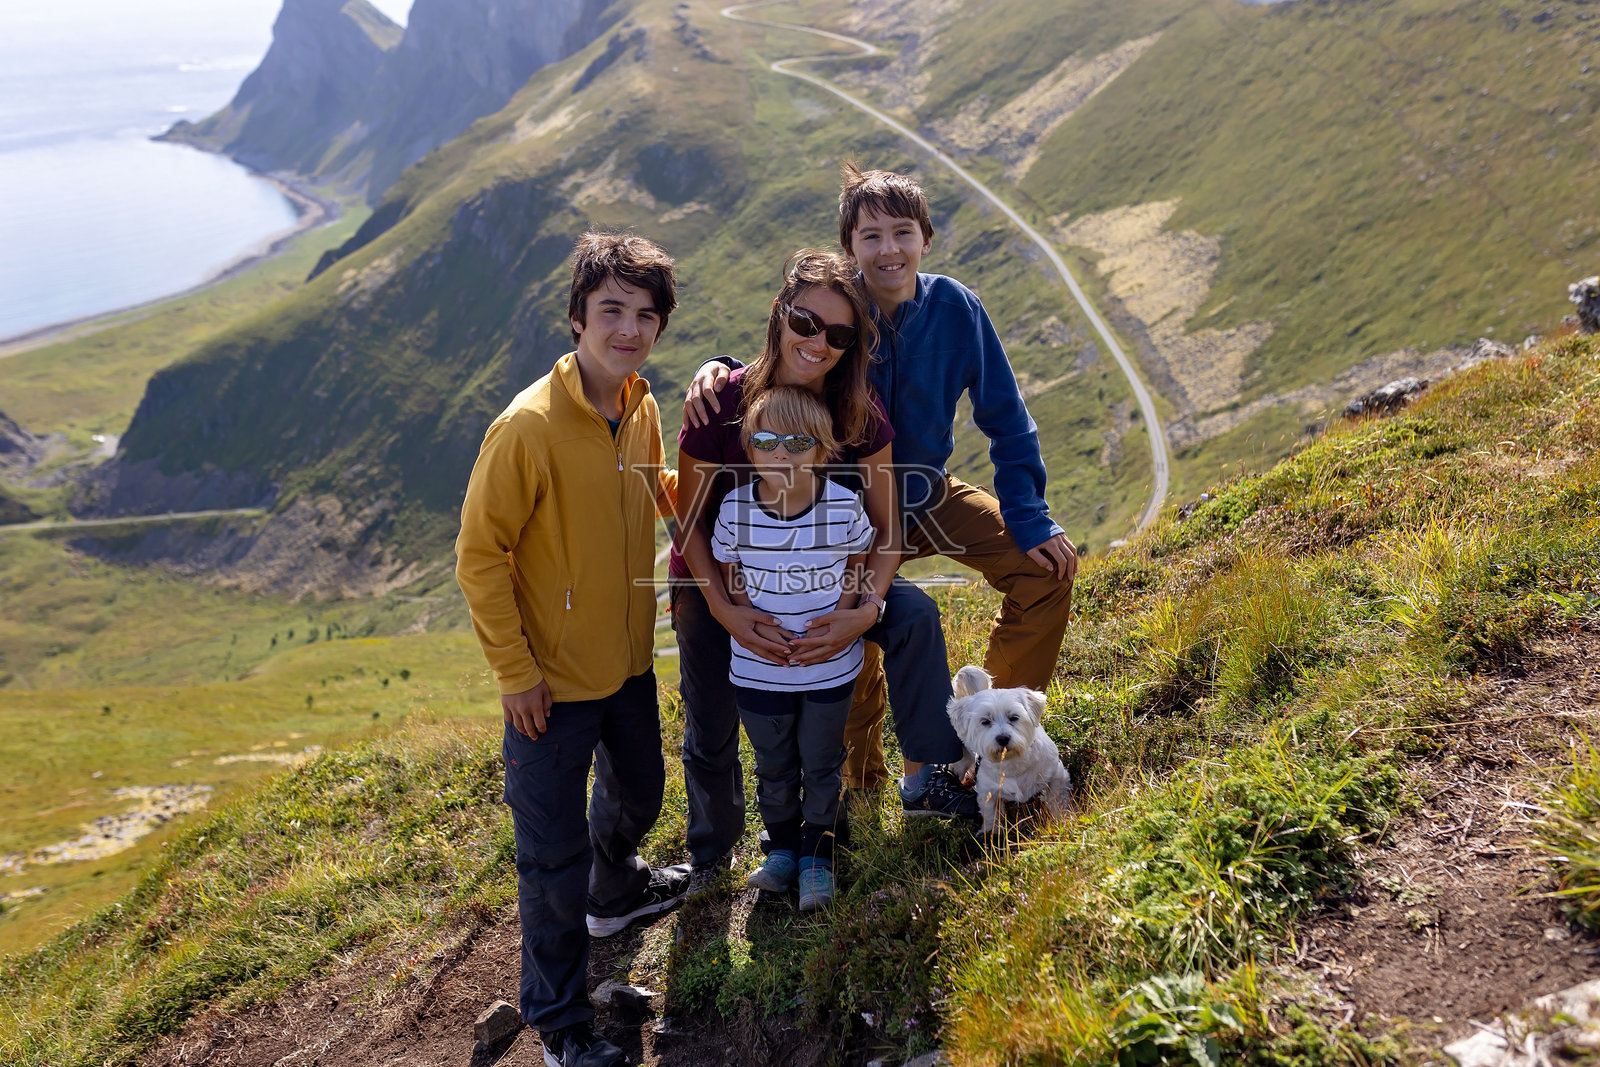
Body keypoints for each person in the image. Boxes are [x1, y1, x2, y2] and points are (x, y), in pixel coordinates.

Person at [685, 163, 1077, 796]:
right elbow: (785, 361)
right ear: (849, 248)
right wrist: (719, 366)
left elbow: (1006, 419)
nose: (888, 249)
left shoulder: (957, 309)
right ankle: (860, 781)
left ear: (926, 239)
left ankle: (992, 734)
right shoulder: (841, 314)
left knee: (1045, 571)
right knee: (848, 634)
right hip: (843, 511)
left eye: (902, 232)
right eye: (870, 235)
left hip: (928, 494)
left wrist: (1030, 518)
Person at [671, 250, 977, 894]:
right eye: (807, 323)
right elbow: (691, 522)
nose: (818, 343)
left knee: (914, 616)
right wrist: (726, 609)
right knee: (712, 705)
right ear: (780, 313)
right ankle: (712, 856)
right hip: (720, 572)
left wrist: (864, 607)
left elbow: (886, 529)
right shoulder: (721, 402)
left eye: (839, 334)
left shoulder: (858, 412)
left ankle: (926, 778)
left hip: (830, 573)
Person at [456, 231, 688, 1067]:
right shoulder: (528, 428)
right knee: (549, 859)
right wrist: (516, 674)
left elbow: (653, 486)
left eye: (645, 314)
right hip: (549, 686)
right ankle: (560, 1026)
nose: (629, 328)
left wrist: (712, 513)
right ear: (577, 316)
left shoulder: (640, 403)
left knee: (641, 793)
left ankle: (614, 892)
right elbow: (480, 555)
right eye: (611, 310)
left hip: (627, 663)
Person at [710, 385, 874, 910]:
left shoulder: (844, 506)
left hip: (830, 668)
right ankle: (782, 849)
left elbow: (857, 563)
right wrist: (751, 624)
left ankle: (816, 858)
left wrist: (842, 618)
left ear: (822, 450)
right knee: (774, 765)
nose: (781, 454)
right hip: (759, 669)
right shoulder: (736, 508)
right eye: (766, 441)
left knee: (822, 763)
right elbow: (730, 570)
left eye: (798, 442)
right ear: (748, 448)